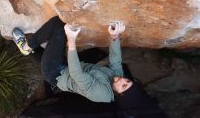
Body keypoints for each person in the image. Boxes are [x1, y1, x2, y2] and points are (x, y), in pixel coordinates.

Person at [12, 16, 167, 118]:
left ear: (120, 95)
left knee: (58, 26)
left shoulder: (102, 94)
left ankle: (26, 46)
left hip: (55, 73)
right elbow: (115, 60)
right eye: (128, 81)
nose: (122, 80)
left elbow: (77, 74)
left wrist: (71, 40)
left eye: (124, 86)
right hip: (68, 68)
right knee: (44, 54)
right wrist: (114, 37)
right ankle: (29, 50)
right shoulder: (117, 79)